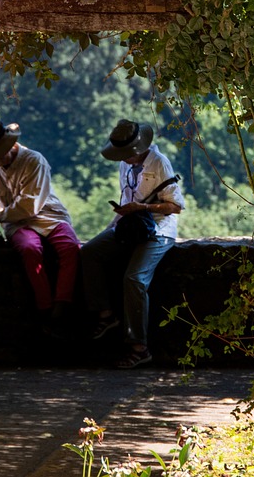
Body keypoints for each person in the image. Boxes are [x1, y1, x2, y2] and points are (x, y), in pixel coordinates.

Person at [0, 121, 80, 327]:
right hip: (16, 223)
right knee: (29, 249)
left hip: (49, 215)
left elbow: (29, 206)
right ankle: (45, 307)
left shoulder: (34, 161)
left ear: (10, 147)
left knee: (70, 247)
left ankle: (63, 302)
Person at [80, 119, 185, 369]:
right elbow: (127, 200)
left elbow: (175, 207)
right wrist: (110, 228)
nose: (122, 158)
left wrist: (143, 207)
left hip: (159, 229)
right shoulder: (124, 166)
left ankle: (139, 346)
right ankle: (106, 314)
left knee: (134, 279)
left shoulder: (159, 163)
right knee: (90, 252)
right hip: (131, 226)